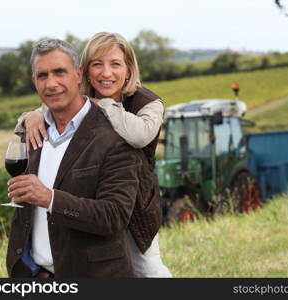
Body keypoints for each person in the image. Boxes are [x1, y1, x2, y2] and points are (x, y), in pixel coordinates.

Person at [14, 32, 172, 277]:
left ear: (129, 70)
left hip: (137, 203)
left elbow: (139, 135)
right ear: (84, 71)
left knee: (148, 269)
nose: (106, 73)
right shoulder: (83, 97)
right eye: (97, 64)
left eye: (115, 64)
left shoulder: (148, 103)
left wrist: (106, 105)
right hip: (97, 195)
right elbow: (53, 104)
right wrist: (30, 116)